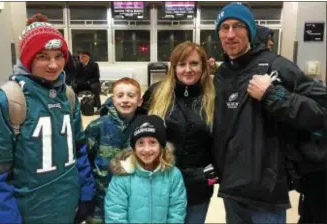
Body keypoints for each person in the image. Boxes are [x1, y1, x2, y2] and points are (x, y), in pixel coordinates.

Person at [212, 2, 326, 223]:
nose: (231, 34)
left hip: (266, 192)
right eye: (224, 28)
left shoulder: (277, 67)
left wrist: (273, 95)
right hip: (231, 190)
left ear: (251, 31)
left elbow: (321, 111)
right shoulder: (222, 74)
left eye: (238, 26)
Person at [0, 21, 95, 224]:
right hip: (29, 212)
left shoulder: (68, 96)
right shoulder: (6, 99)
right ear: (28, 59)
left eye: (59, 56)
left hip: (68, 206)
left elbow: (79, 150)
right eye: (42, 57)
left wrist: (86, 193)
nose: (53, 65)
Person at [142, 41, 216, 223]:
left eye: (194, 64)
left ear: (204, 67)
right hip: (161, 181)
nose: (188, 70)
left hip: (198, 186)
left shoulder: (214, 97)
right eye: (182, 64)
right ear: (174, 68)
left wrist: (212, 174)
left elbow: (225, 140)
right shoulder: (156, 93)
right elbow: (137, 131)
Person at [105, 115, 187, 223]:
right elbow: (115, 215)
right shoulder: (122, 176)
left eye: (152, 142)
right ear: (134, 147)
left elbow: (177, 210)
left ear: (161, 146)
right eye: (140, 143)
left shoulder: (173, 175)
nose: (147, 149)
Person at [85, 77, 143, 223]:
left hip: (132, 200)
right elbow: (85, 160)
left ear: (139, 101)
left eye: (131, 96)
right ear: (113, 98)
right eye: (120, 95)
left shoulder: (144, 127)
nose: (125, 100)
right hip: (100, 200)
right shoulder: (97, 126)